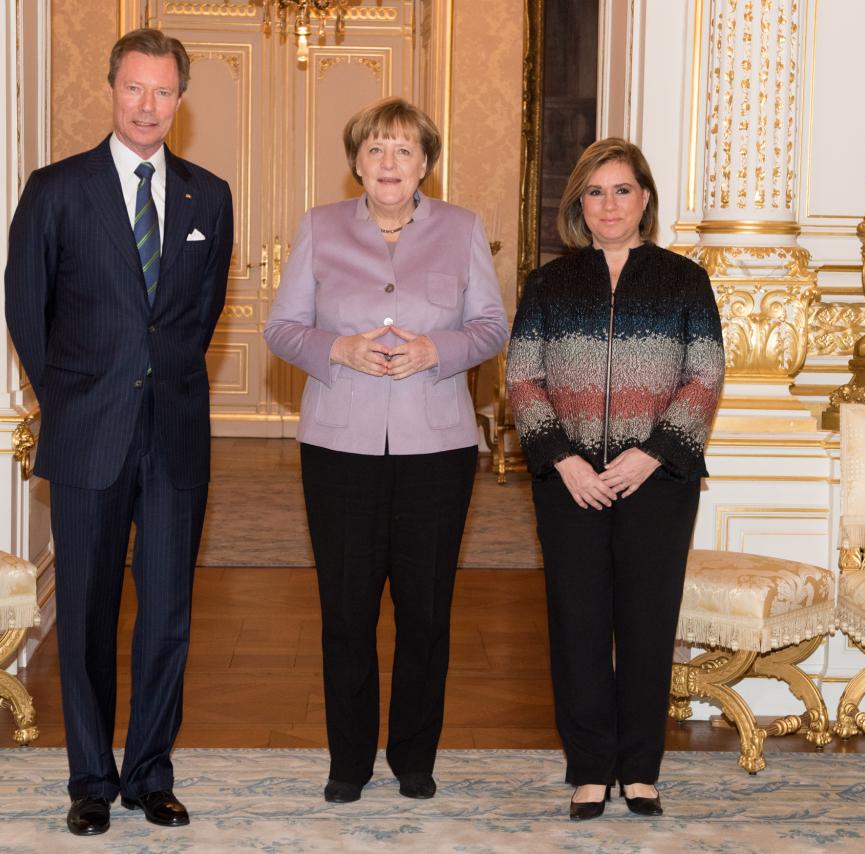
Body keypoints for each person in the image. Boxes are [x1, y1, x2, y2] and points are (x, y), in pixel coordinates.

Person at [4, 28, 233, 837]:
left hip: (173, 434)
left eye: (164, 92)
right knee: (90, 615)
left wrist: (155, 378)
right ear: (113, 90)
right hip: (87, 434)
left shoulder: (211, 196)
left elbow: (197, 318)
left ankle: (149, 774)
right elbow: (26, 313)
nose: (148, 106)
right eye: (135, 88)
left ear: (181, 100)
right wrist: (67, 400)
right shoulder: (56, 189)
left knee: (168, 613)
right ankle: (91, 781)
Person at [264, 97, 507, 804]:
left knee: (426, 611)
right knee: (346, 610)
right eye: (375, 150)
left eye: (403, 150)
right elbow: (282, 330)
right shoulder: (320, 227)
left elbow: (492, 326)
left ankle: (414, 758)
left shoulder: (462, 230)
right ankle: (349, 761)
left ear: (426, 162)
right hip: (339, 446)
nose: (389, 163)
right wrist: (336, 348)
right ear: (356, 164)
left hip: (438, 448)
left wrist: (441, 349)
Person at [506, 138, 723, 820]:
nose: (609, 205)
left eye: (622, 190)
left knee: (647, 622)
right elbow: (521, 376)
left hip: (657, 480)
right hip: (567, 480)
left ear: (645, 199)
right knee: (577, 621)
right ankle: (590, 768)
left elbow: (705, 373)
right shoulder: (548, 283)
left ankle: (640, 768)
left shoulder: (684, 280)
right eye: (595, 193)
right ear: (579, 205)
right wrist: (564, 459)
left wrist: (652, 452)